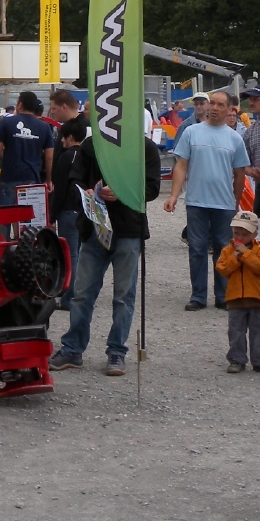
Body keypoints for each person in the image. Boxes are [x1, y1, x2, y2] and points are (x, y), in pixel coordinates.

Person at [50, 128, 161, 375]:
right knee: (82, 293)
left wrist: (123, 193)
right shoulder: (92, 145)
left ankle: (117, 351)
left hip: (129, 230)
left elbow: (152, 188)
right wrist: (87, 193)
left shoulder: (145, 148)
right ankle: (73, 348)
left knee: (124, 295)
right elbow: (74, 180)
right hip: (95, 230)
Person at [165, 90, 250, 311]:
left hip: (224, 203)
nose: (214, 107)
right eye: (212, 103)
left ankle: (222, 295)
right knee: (197, 249)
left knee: (224, 249)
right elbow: (181, 165)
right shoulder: (192, 132)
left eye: (220, 105)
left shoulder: (234, 138)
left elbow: (240, 173)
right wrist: (173, 195)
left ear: (230, 109)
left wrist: (236, 201)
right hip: (196, 201)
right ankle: (198, 295)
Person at [217, 209, 260, 374]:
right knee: (236, 331)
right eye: (237, 233)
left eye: (245, 234)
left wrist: (246, 254)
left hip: (256, 298)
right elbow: (222, 269)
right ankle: (236, 359)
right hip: (235, 298)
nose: (240, 238)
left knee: (259, 331)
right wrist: (235, 258)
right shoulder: (228, 250)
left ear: (254, 234)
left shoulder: (259, 250)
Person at [0, 91, 54, 208]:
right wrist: (48, 179)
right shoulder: (44, 127)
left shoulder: (7, 122)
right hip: (32, 177)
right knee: (28, 216)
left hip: (10, 176)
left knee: (7, 214)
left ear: (20, 105)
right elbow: (49, 157)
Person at [50, 115, 89, 310]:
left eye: (63, 137)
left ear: (70, 137)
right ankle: (81, 293)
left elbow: (60, 189)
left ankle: (69, 297)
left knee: (70, 255)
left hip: (67, 209)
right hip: (84, 210)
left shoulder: (66, 157)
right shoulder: (88, 155)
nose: (62, 141)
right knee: (81, 254)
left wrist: (52, 215)